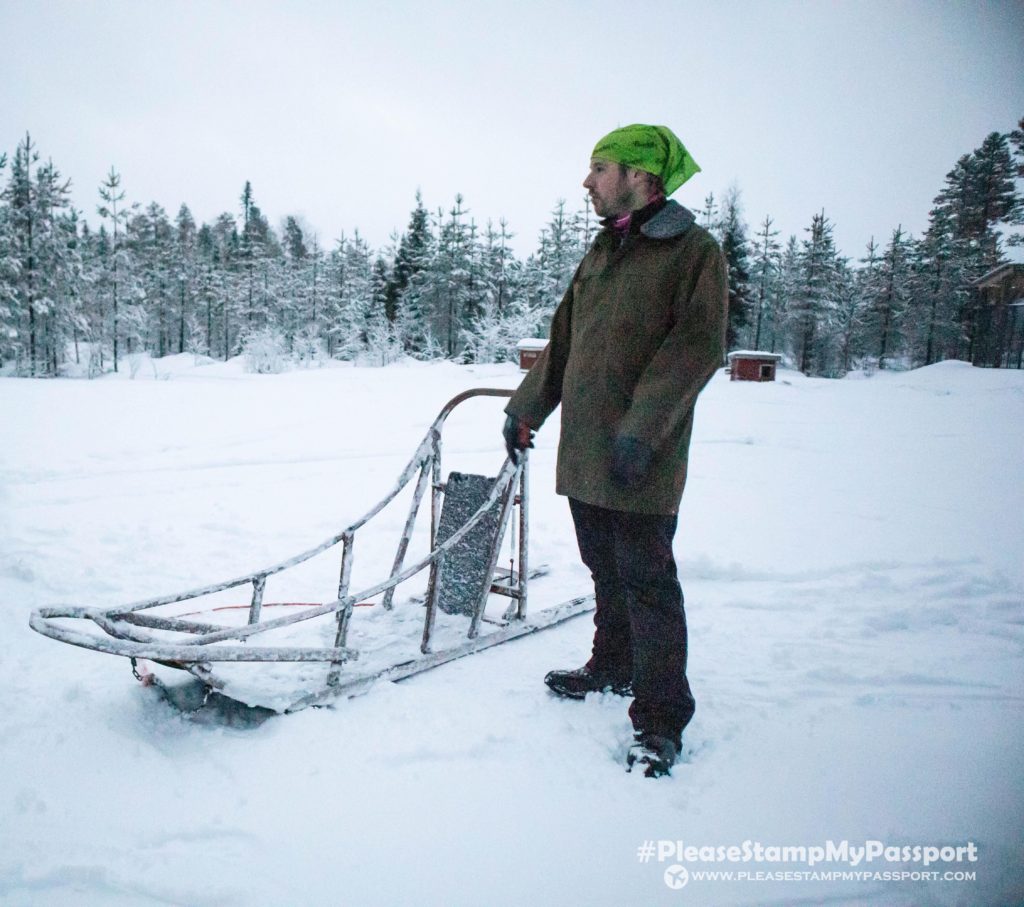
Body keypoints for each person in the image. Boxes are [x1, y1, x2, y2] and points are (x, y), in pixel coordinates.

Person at [502, 124, 728, 778]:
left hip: (641, 458)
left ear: (641, 175)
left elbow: (695, 349)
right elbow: (564, 340)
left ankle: (660, 716)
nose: (587, 181)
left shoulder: (692, 252)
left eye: (599, 167)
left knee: (647, 581)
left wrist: (642, 427)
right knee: (603, 567)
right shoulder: (603, 251)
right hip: (585, 453)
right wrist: (525, 408)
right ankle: (613, 664)